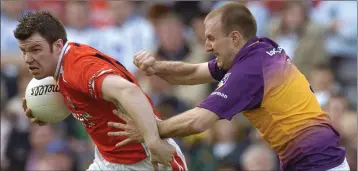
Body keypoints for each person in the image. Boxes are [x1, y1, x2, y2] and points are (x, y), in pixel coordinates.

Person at [107, 2, 349, 171]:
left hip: (317, 164)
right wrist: (156, 67)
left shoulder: (248, 72)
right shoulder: (261, 48)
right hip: (319, 161)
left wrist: (151, 129)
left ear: (234, 38)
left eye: (211, 38)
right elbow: (192, 72)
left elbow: (198, 122)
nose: (207, 46)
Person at [14, 11, 187, 171]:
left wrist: (153, 141)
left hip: (145, 161)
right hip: (108, 160)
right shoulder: (61, 68)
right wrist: (47, 109)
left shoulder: (78, 67)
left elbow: (129, 91)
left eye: (36, 49)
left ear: (58, 46)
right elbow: (88, 103)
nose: (28, 59)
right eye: (24, 51)